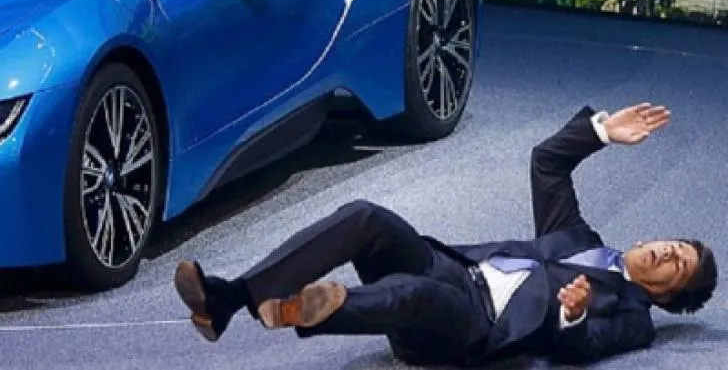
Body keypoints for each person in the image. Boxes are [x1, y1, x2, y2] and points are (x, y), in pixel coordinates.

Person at [172, 103, 718, 366]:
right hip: (451, 267)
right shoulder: (577, 237)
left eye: (677, 266)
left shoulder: (635, 319)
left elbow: (582, 347)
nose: (665, 253)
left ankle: (303, 310)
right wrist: (600, 132)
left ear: (667, 296)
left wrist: (571, 314)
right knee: (366, 217)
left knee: (417, 294)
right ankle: (229, 298)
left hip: (471, 328)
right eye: (672, 245)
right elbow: (547, 164)